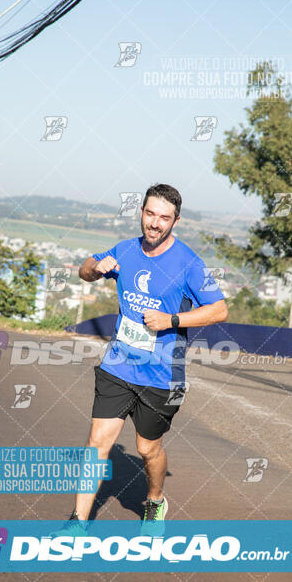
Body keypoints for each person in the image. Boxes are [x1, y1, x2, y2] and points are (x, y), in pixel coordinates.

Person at [67, 184, 228, 529]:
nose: (155, 223)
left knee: (146, 449)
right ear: (141, 212)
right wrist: (95, 268)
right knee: (98, 441)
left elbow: (219, 310)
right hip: (118, 364)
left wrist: (172, 320)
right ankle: (77, 522)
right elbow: (84, 269)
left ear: (175, 221)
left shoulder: (188, 263)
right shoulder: (125, 250)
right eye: (150, 214)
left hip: (160, 374)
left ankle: (155, 500)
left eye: (164, 218)